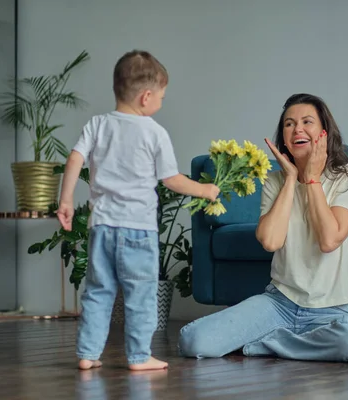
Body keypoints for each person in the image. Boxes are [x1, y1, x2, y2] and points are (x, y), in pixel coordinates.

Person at [178, 93, 348, 362]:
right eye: (289, 124)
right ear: (284, 137)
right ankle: (293, 345)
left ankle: (265, 344)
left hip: (333, 312)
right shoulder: (275, 181)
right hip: (278, 304)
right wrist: (292, 179)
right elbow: (270, 241)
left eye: (308, 122)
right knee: (193, 341)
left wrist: (312, 180)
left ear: (324, 133)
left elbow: (329, 240)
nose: (298, 129)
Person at [57, 50, 220, 371]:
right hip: (138, 230)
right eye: (161, 96)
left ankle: (88, 354)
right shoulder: (154, 132)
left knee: (98, 292)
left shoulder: (98, 124)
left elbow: (75, 158)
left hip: (102, 227)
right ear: (146, 97)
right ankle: (139, 356)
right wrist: (205, 190)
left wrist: (65, 200)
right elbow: (172, 180)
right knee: (140, 294)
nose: (161, 102)